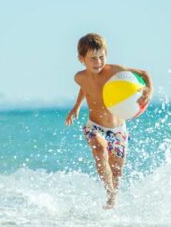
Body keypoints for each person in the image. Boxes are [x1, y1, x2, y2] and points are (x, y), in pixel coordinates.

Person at [65, 33, 152, 209]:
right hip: (94, 126)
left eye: (101, 57)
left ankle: (113, 204)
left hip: (118, 129)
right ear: (81, 59)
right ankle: (110, 194)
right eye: (93, 58)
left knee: (116, 171)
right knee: (99, 148)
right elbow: (86, 88)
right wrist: (76, 107)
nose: (98, 62)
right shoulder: (79, 77)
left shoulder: (114, 71)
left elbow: (144, 73)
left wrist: (148, 91)